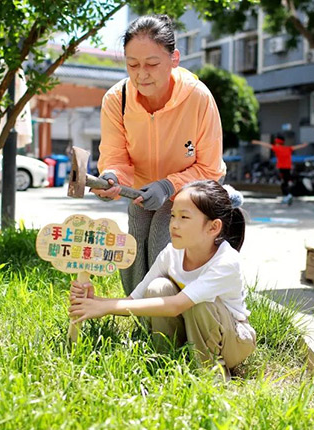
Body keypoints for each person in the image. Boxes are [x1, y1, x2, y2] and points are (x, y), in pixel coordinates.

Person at [93, 15, 226, 296]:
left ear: (174, 58)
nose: (141, 74)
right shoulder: (117, 99)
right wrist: (112, 177)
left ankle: (167, 321)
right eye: (132, 64)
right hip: (141, 191)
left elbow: (210, 169)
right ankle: (136, 314)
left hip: (191, 192)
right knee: (133, 236)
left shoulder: (198, 98)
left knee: (161, 237)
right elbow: (115, 156)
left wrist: (169, 186)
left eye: (152, 64)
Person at [69, 180, 256, 377]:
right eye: (173, 215)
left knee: (200, 303)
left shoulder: (226, 262)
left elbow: (176, 305)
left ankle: (212, 372)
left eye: (184, 217)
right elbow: (136, 300)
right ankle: (165, 363)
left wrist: (105, 308)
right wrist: (95, 302)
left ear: (213, 227)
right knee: (158, 288)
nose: (174, 224)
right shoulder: (171, 253)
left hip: (233, 341)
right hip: (192, 331)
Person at [251, 135, 307, 205]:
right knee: (286, 182)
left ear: (277, 142)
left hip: (282, 168)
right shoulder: (288, 148)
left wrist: (257, 142)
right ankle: (288, 195)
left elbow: (267, 145)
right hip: (288, 168)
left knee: (283, 184)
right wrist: (304, 145)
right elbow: (296, 147)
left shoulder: (277, 148)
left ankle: (288, 195)